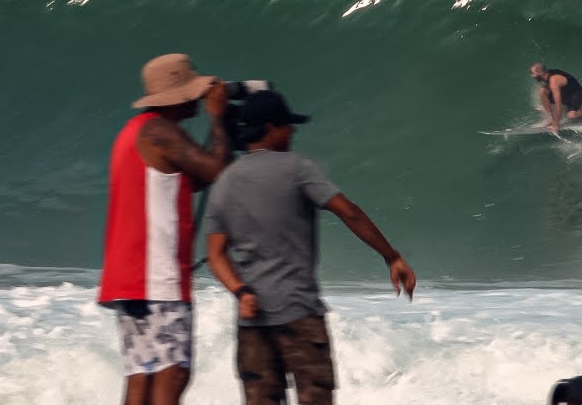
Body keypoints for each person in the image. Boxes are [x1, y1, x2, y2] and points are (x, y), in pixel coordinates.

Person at [204, 89, 417, 405]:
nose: (292, 131)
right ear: (270, 127)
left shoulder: (225, 181)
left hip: (253, 323)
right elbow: (348, 212)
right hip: (299, 315)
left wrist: (241, 292)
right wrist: (392, 257)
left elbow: (215, 254)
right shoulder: (297, 168)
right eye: (286, 124)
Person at [98, 53, 233, 405]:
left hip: (129, 277)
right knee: (173, 373)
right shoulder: (161, 131)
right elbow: (217, 171)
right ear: (178, 96)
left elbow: (196, 177)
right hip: (157, 275)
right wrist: (218, 117)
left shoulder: (135, 132)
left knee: (142, 376)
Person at [530, 62, 582, 134]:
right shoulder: (546, 74)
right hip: (565, 93)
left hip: (575, 94)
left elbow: (558, 103)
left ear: (540, 72)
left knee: (571, 115)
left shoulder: (554, 80)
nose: (532, 76)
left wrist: (556, 125)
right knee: (543, 91)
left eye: (533, 73)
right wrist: (553, 121)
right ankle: (552, 119)